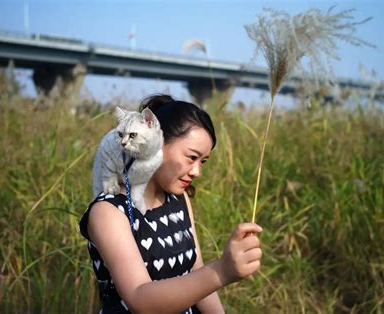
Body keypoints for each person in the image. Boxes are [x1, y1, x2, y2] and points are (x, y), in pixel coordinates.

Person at [79, 94, 263, 313]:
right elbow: (140, 298)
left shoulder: (178, 198)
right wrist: (221, 272)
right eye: (191, 157)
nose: (196, 172)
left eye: (202, 162)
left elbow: (196, 273)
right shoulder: (109, 211)